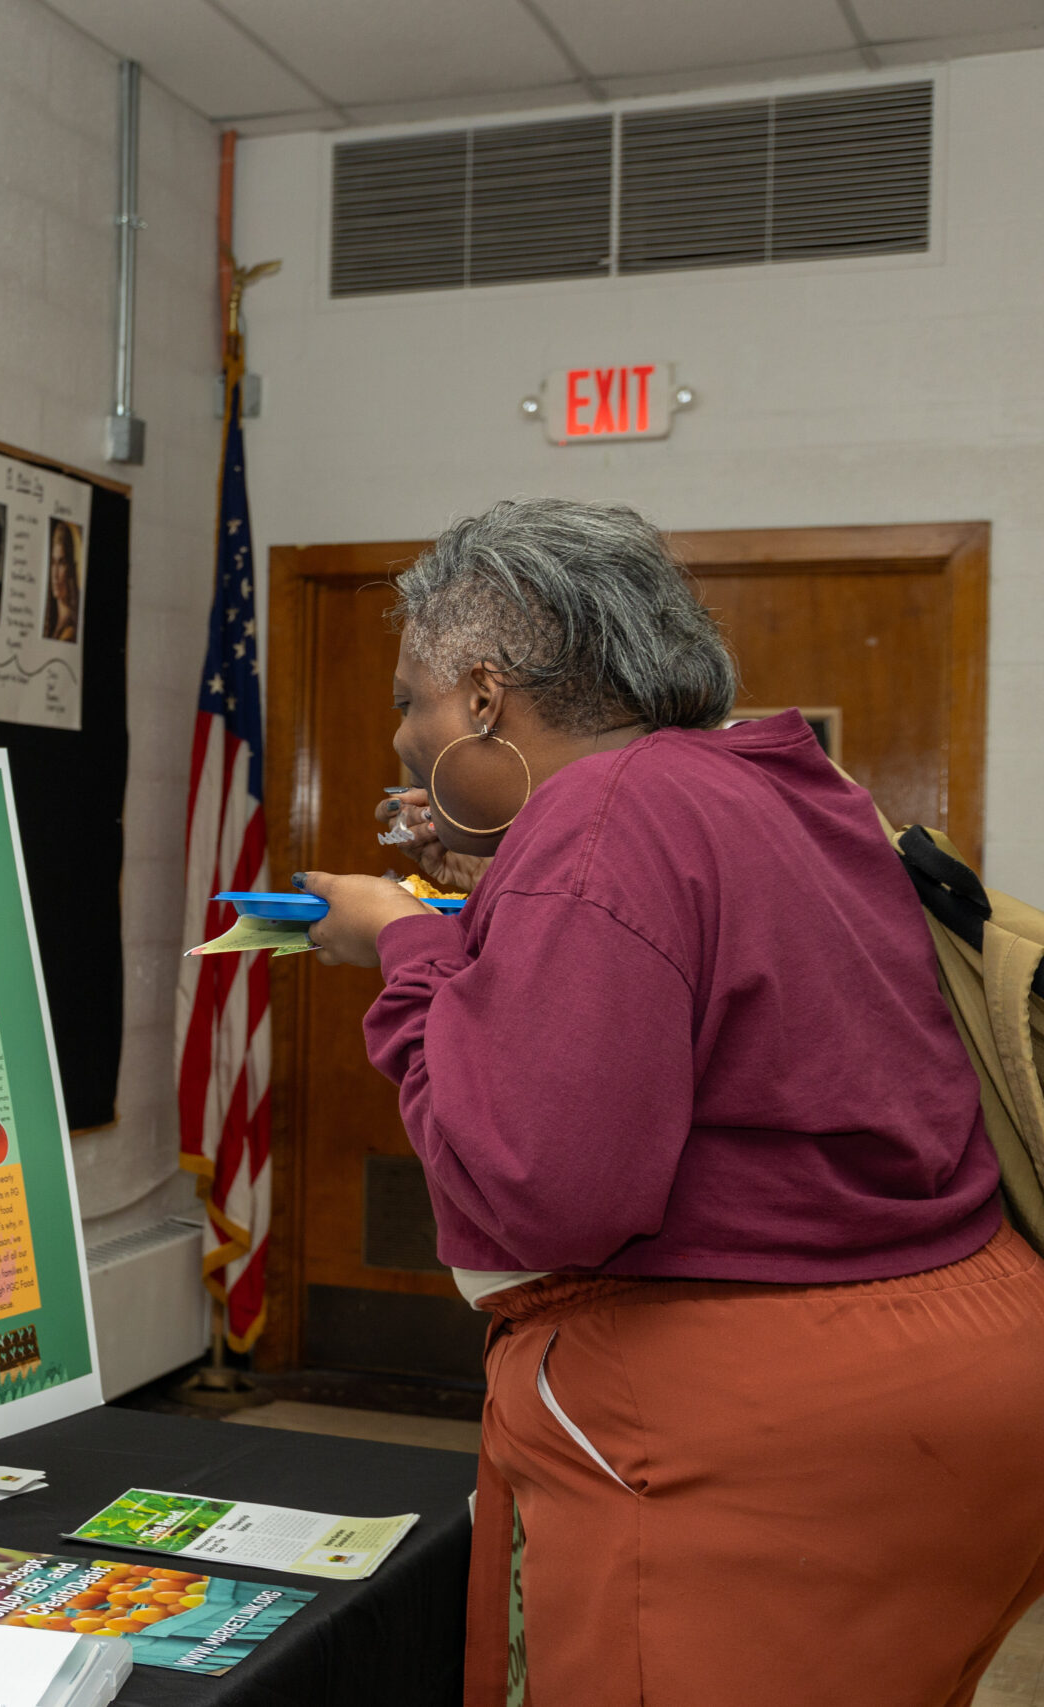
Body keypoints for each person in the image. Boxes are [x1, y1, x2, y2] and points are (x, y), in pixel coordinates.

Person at [295, 498, 1044, 1706]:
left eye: (408, 701)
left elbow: (544, 1186)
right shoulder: (778, 778)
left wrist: (401, 947)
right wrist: (507, 888)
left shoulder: (602, 817)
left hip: (764, 1419)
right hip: (963, 1368)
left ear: (483, 696)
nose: (399, 735)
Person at [40, 519, 81, 642]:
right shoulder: (53, 622)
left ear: (70, 569)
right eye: (53, 563)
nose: (55, 574)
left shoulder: (70, 630)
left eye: (61, 563)